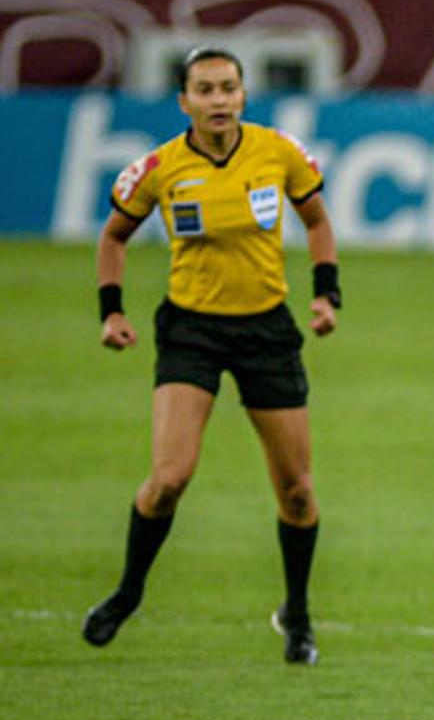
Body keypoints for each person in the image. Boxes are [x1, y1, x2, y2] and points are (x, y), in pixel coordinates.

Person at [83, 47, 339, 665]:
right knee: (169, 478)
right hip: (191, 331)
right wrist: (111, 311)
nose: (219, 99)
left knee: (298, 491)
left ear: (244, 96)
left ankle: (297, 615)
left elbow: (318, 223)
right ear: (185, 102)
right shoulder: (159, 168)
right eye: (206, 89)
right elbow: (114, 235)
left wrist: (327, 295)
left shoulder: (279, 153)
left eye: (229, 87)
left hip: (266, 333)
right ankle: (128, 592)